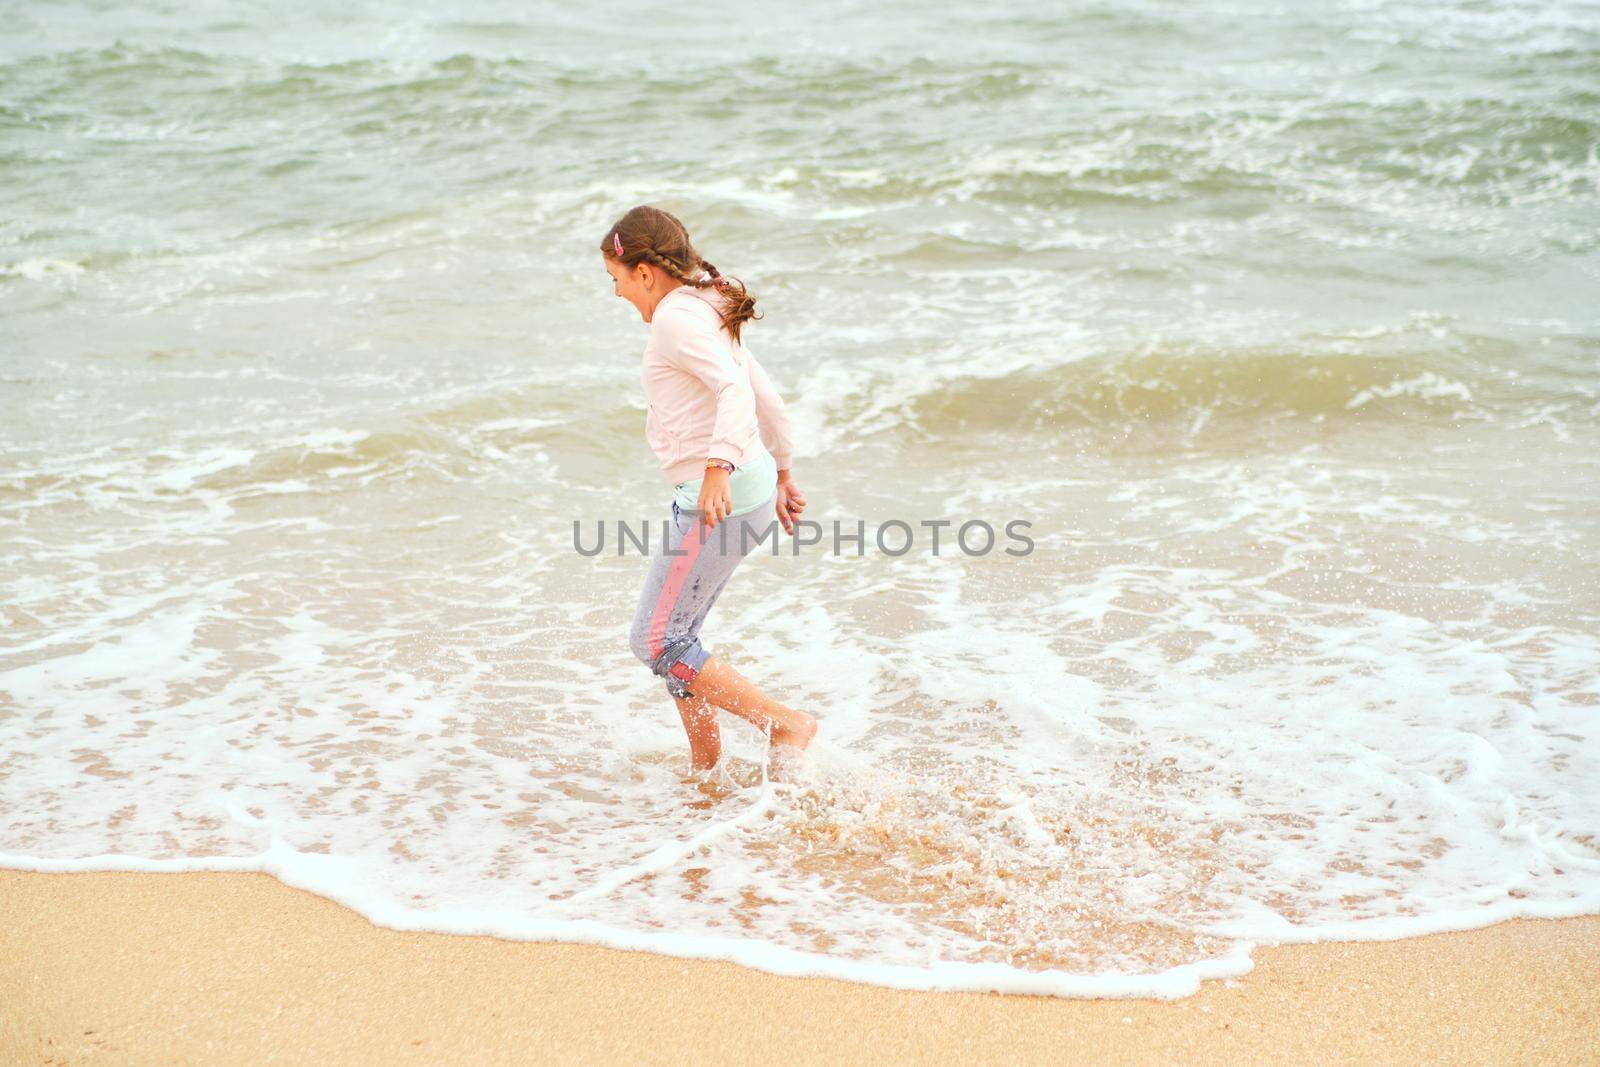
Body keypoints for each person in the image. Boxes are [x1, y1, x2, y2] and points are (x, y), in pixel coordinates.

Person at [601, 205, 819, 772]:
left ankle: (786, 725)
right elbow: (760, 387)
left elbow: (733, 391)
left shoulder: (677, 318)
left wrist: (719, 467)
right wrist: (784, 470)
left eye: (617, 280)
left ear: (645, 272)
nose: (619, 295)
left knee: (656, 643)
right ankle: (706, 769)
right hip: (750, 486)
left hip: (719, 495)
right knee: (680, 634)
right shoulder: (704, 304)